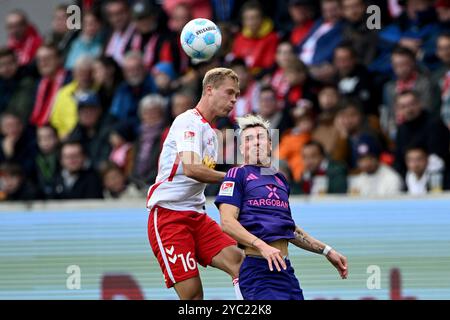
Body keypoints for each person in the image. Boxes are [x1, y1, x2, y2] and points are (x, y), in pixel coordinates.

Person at [215, 114, 347, 300]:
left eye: (261, 137)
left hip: (284, 269)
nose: (255, 143)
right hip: (257, 270)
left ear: (270, 144)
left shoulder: (280, 179)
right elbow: (227, 222)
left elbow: (289, 228)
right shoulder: (236, 174)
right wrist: (262, 247)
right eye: (248, 139)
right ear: (241, 148)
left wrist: (326, 251)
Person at [146, 68, 244, 300]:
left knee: (241, 264)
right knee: (192, 297)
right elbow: (192, 169)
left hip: (196, 216)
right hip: (169, 217)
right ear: (209, 90)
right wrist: (235, 177)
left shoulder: (211, 133)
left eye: (237, 96)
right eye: (229, 93)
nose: (233, 100)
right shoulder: (187, 121)